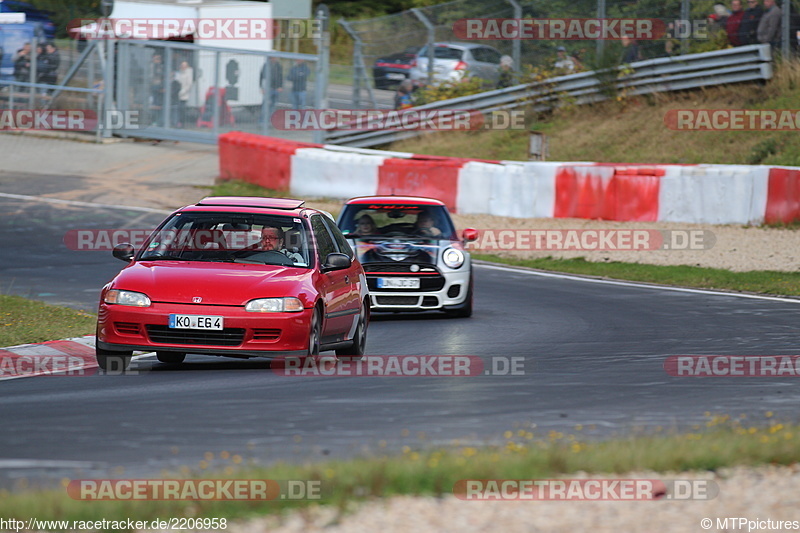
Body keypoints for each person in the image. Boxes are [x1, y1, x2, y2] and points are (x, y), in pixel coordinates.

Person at [174, 60, 193, 128]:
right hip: (176, 95)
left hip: (184, 95)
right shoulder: (178, 73)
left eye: (185, 66)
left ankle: (182, 123)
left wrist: (181, 92)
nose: (183, 67)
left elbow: (189, 85)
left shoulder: (188, 74)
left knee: (182, 109)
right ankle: (176, 122)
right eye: (182, 65)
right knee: (176, 109)